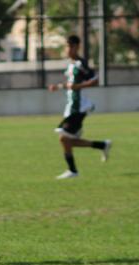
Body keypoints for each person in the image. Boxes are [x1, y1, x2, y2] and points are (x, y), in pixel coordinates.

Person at [47, 35, 112, 180]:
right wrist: (57, 86)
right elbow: (70, 84)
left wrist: (79, 86)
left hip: (80, 107)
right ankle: (102, 145)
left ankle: (73, 171)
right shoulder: (71, 64)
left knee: (64, 138)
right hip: (71, 107)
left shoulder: (81, 63)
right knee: (67, 140)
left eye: (70, 46)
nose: (68, 49)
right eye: (66, 46)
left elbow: (95, 80)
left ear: (77, 47)